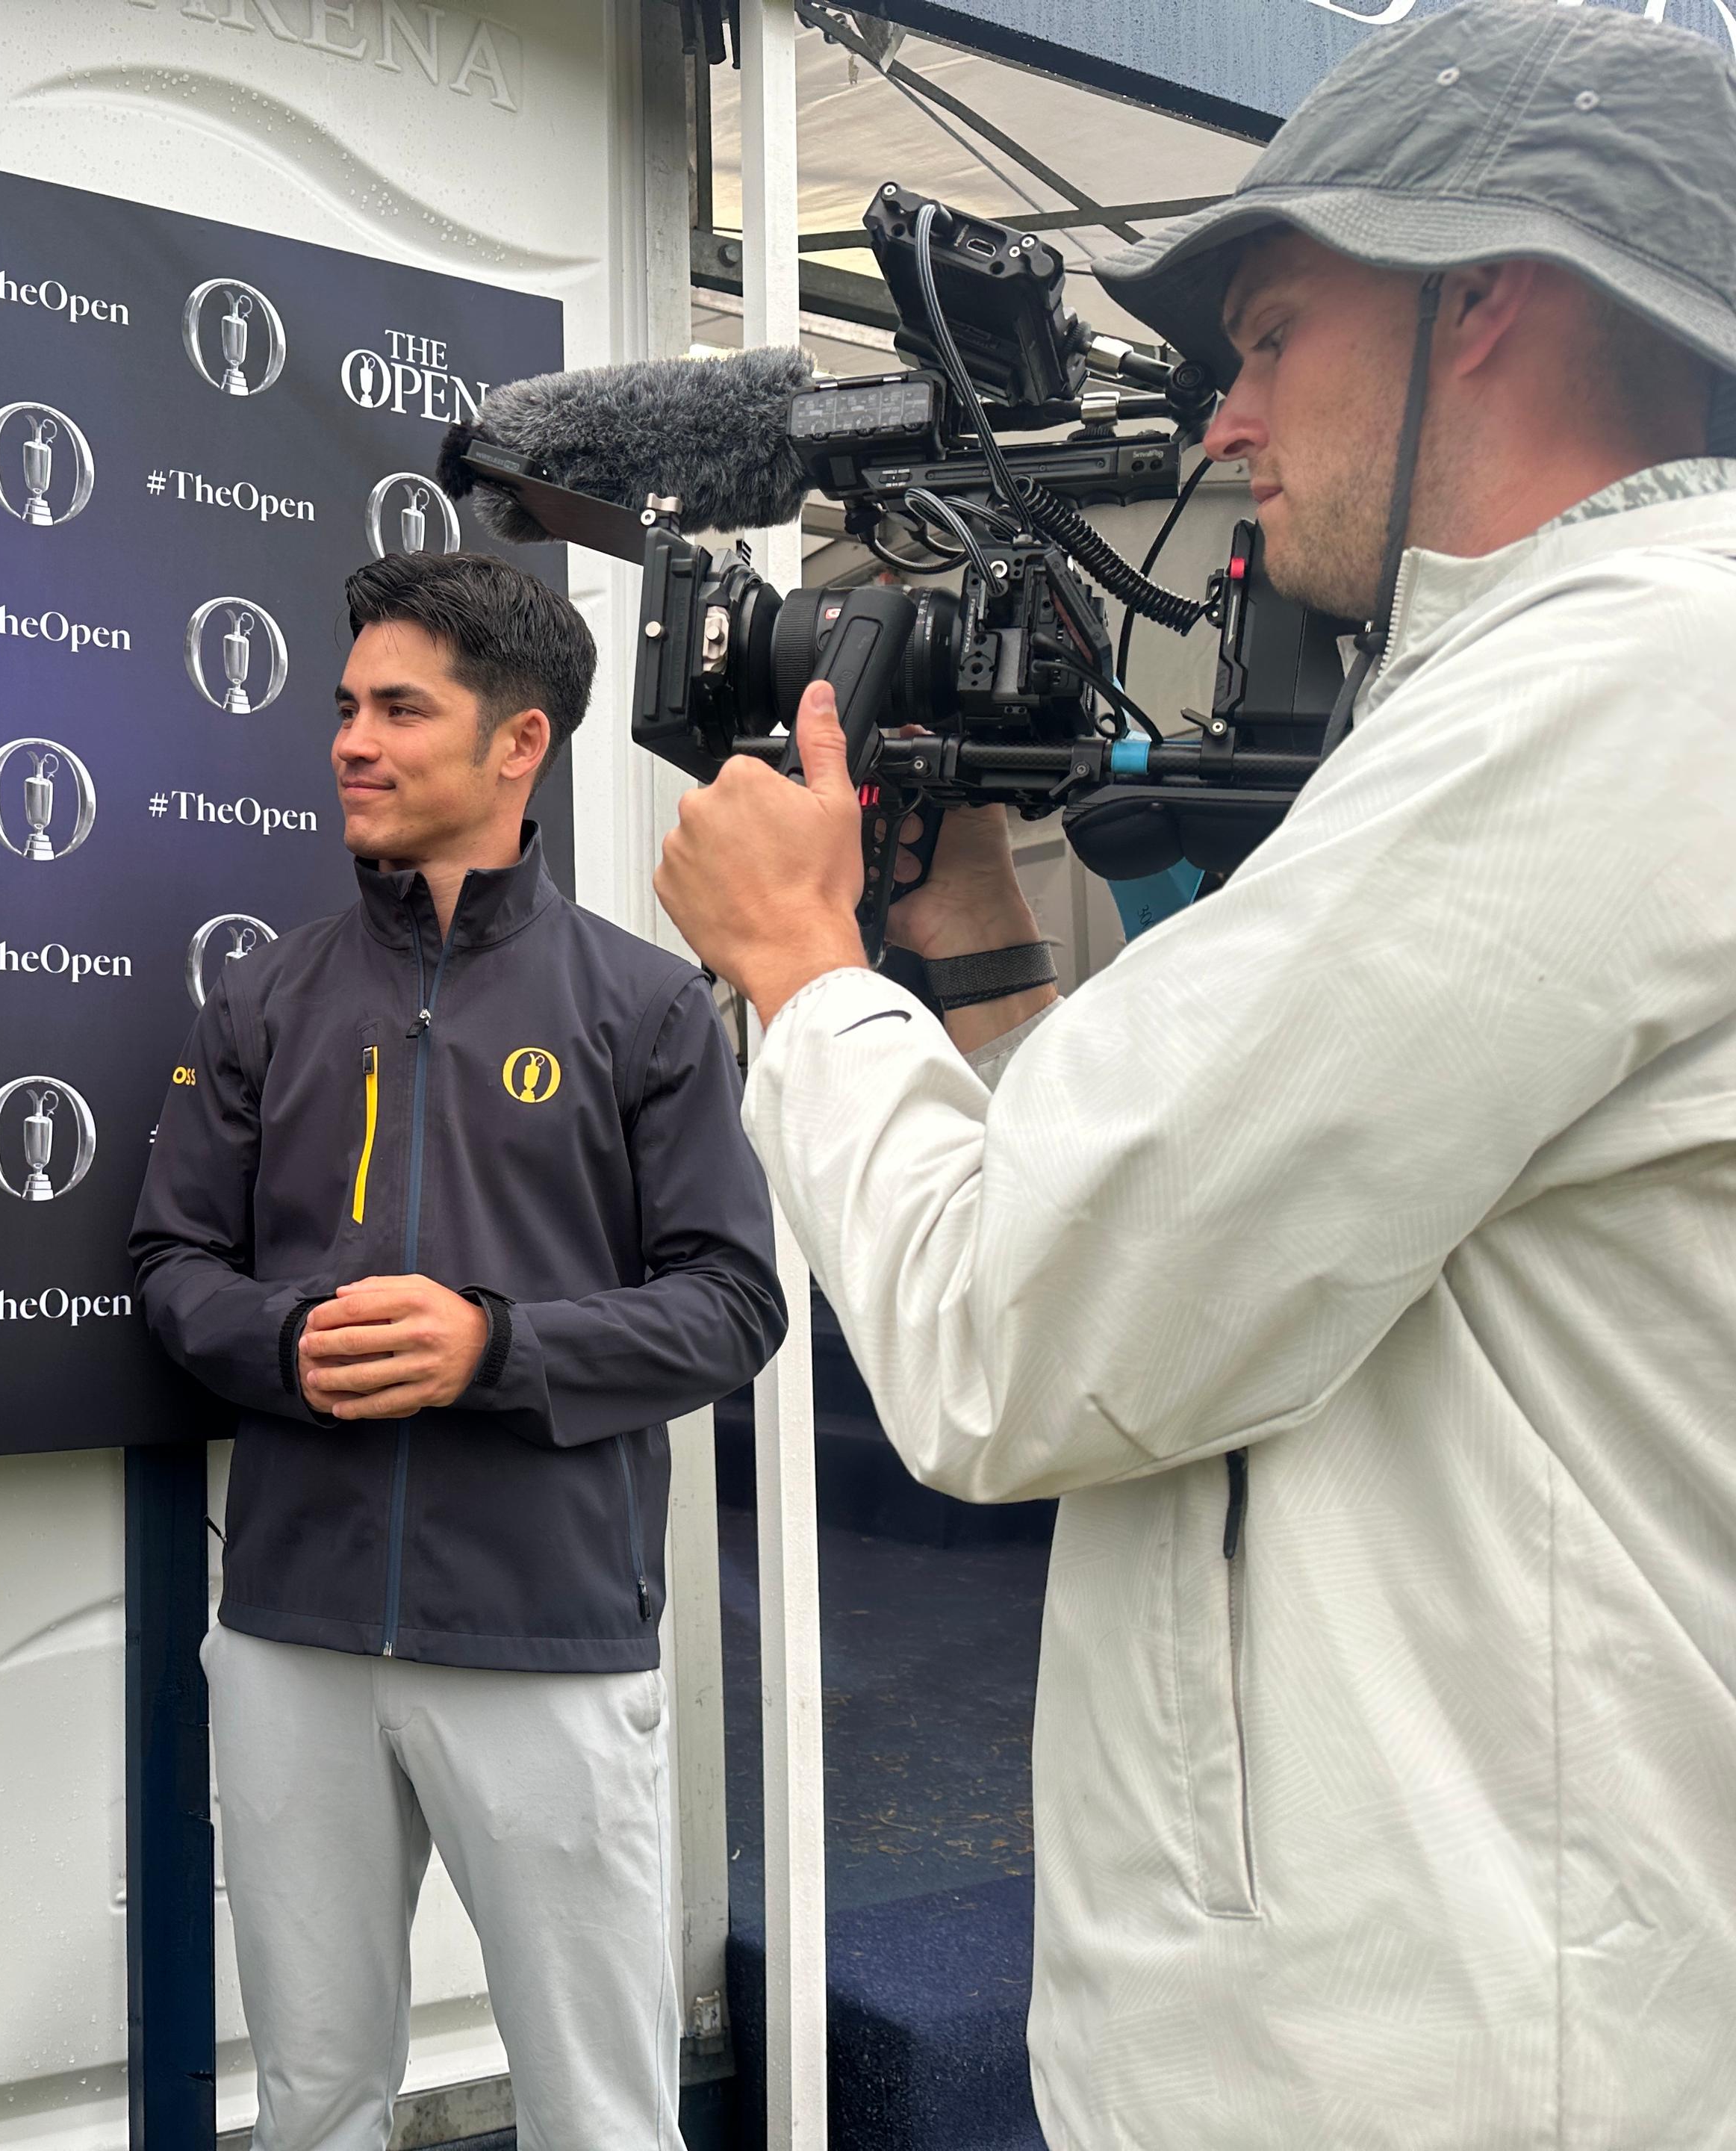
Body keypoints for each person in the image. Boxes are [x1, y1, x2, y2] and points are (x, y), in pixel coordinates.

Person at [655, 4, 1736, 2146]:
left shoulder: (1614, 688)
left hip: (1429, 2052)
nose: (1224, 422)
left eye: (1262, 336)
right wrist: (952, 916)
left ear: (1487, 298)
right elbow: (1154, 1223)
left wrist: (796, 964)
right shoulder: (1569, 691)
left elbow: (1012, 1343)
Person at [133, 551, 786, 2150]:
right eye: (345, 705)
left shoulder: (645, 1010)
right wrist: (288, 1341)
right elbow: (170, 1266)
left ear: (518, 744)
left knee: (600, 2108)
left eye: (399, 708)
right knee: (311, 2100)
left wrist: (490, 1348)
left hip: (548, 1641)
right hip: (292, 1633)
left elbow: (734, 1303)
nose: (352, 738)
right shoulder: (267, 999)